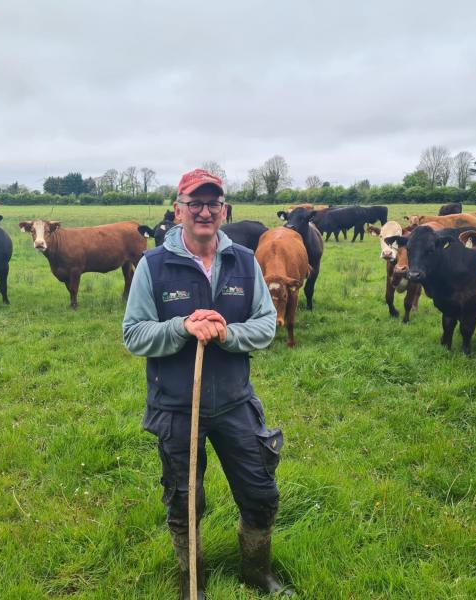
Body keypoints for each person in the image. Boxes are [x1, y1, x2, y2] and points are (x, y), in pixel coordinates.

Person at [123, 168, 293, 598]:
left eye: (212, 203)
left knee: (260, 492)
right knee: (184, 501)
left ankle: (257, 572)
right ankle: (190, 583)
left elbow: (266, 325)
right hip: (177, 406)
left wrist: (226, 333)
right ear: (178, 210)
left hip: (236, 403)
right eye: (194, 203)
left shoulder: (245, 262)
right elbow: (135, 334)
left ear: (224, 209)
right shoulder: (153, 266)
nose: (204, 211)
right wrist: (182, 326)